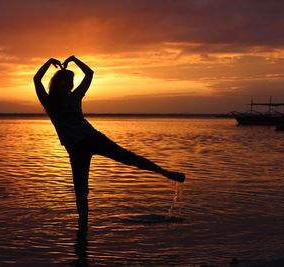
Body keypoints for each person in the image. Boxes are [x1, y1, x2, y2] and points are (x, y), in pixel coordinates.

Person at [34, 56, 185, 228]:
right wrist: (48, 62)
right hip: (74, 149)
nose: (69, 84)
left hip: (93, 138)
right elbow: (36, 79)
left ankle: (167, 173)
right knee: (80, 191)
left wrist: (74, 59)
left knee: (129, 158)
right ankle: (82, 227)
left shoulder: (75, 96)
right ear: (57, 82)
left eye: (71, 81)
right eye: (66, 81)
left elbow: (90, 73)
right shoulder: (49, 101)